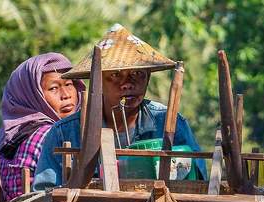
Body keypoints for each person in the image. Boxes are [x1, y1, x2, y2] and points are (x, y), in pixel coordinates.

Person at [32, 24, 204, 190]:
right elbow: (43, 196)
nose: (127, 84)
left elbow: (200, 182)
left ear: (148, 77)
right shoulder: (65, 132)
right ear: (98, 81)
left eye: (137, 73)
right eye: (115, 75)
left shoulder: (169, 122)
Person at [0, 53, 84, 202]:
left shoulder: (6, 137)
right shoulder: (52, 134)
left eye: (69, 84)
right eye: (53, 88)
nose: (66, 95)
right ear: (32, 95)